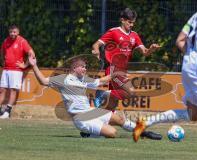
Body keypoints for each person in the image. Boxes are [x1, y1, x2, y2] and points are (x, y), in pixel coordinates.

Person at [133, 0, 197, 160]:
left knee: (193, 115)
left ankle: (146, 121)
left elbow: (179, 41)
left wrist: (191, 56)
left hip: (188, 68)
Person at [27, 55, 161, 139]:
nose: (85, 69)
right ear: (75, 68)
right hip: (81, 117)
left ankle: (143, 133)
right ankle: (89, 134)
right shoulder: (63, 79)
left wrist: (116, 74)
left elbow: (101, 81)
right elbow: (43, 81)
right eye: (83, 67)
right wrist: (33, 65)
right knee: (112, 133)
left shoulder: (83, 79)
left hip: (90, 111)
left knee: (119, 118)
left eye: (85, 67)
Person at [92, 8, 160, 110]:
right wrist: (96, 51)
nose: (131, 25)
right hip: (113, 69)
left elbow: (145, 53)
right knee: (130, 92)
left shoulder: (134, 35)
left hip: (122, 70)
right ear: (122, 20)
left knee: (111, 105)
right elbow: (96, 44)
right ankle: (102, 94)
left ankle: (99, 120)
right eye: (129, 22)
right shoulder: (113, 32)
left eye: (133, 22)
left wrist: (151, 49)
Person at [0, 25, 36, 119]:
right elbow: (2, 51)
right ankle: (1, 110)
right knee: (2, 90)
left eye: (14, 32)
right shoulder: (6, 40)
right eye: (11, 32)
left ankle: (7, 112)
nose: (12, 34)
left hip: (16, 71)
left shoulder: (22, 41)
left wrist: (24, 65)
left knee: (13, 90)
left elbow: (31, 53)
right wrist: (3, 61)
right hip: (6, 69)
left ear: (18, 32)